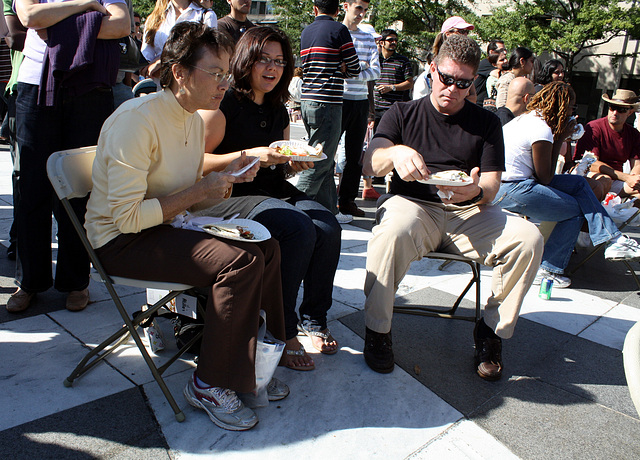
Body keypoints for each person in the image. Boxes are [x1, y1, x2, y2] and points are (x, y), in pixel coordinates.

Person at [85, 22, 288, 431]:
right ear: (179, 73)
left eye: (226, 73)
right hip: (119, 240)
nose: (223, 83)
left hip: (165, 226)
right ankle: (209, 382)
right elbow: (126, 218)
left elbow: (193, 192)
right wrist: (202, 190)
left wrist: (228, 179)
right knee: (239, 263)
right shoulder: (137, 120)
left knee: (267, 249)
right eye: (215, 73)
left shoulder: (194, 121)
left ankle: (249, 366)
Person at [361, 34, 543, 381]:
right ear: (432, 70)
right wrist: (396, 153)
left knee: (528, 237)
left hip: (468, 213)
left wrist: (473, 192)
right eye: (446, 78)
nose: (453, 89)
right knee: (393, 230)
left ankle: (491, 333)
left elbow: (491, 186)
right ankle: (377, 330)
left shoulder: (486, 122)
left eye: (463, 83)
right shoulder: (403, 112)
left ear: (473, 80)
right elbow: (371, 163)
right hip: (413, 205)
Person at [198, 26, 342, 370]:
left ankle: (314, 316)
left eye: (279, 61)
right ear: (246, 60)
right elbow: (196, 164)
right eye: (264, 59)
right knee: (298, 229)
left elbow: (280, 165)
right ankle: (281, 327)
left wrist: (294, 163)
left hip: (271, 189)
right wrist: (251, 155)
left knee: (326, 224)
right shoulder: (225, 104)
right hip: (233, 193)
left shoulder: (278, 108)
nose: (273, 68)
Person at [7, 0, 130, 314]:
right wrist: (88, 8)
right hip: (36, 85)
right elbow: (31, 17)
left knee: (80, 191)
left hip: (90, 88)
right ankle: (29, 281)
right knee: (31, 189)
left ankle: (76, 282)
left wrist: (57, 19)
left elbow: (120, 25)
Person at [494, 82, 640, 288]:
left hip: (510, 184)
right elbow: (546, 177)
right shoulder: (541, 129)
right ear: (562, 107)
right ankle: (549, 268)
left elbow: (543, 176)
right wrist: (561, 136)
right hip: (511, 188)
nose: (574, 113)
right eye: (572, 108)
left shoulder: (527, 120)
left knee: (580, 184)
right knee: (575, 210)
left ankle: (612, 240)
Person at [296, 0, 360, 215]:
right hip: (328, 102)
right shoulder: (339, 30)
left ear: (315, 9)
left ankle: (328, 211)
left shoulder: (306, 31)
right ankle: (292, 207)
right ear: (337, 10)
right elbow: (355, 67)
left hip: (307, 101)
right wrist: (340, 68)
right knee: (320, 160)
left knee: (325, 157)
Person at [337, 0, 380, 218]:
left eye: (364, 9)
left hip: (360, 100)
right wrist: (359, 69)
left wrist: (354, 72)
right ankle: (324, 198)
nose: (361, 14)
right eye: (358, 8)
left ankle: (347, 201)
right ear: (346, 6)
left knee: (355, 155)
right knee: (327, 152)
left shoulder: (368, 37)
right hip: (338, 99)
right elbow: (333, 67)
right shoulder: (336, 33)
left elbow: (376, 71)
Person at [574, 89, 640, 201]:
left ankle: (623, 216)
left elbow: (637, 164)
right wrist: (626, 177)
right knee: (605, 180)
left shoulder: (633, 134)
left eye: (621, 109)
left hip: (617, 180)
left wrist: (635, 179)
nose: (615, 112)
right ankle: (591, 216)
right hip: (588, 174)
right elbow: (591, 163)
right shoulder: (594, 127)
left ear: (630, 112)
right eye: (612, 107)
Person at [140, 0, 217, 78]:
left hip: (190, 84)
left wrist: (162, 61)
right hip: (158, 85)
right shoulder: (154, 18)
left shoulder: (206, 15)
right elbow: (145, 59)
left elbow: (205, 54)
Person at [431, 16, 477, 104]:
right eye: (461, 31)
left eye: (466, 32)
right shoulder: (437, 61)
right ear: (448, 34)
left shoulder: (466, 62)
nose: (465, 35)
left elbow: (473, 97)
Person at [373, 29, 413, 130]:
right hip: (374, 108)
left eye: (395, 40)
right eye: (390, 40)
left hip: (392, 108)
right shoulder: (375, 59)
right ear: (381, 42)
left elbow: (409, 83)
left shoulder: (403, 60)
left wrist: (392, 87)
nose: (394, 42)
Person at [475, 39, 504, 106]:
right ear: (491, 52)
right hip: (479, 104)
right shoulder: (485, 63)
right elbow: (498, 74)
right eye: (501, 50)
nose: (504, 53)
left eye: (505, 50)